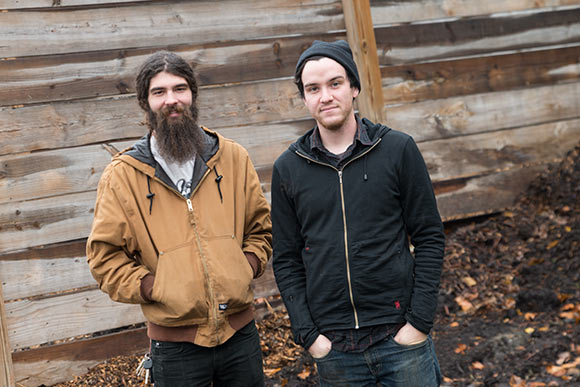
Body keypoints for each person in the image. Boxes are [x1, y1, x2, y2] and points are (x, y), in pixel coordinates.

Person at [87, 51, 272, 387]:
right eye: (159, 92)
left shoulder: (232, 157)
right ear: (145, 103)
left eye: (180, 89)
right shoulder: (123, 176)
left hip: (240, 335)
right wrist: (155, 287)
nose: (171, 100)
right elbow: (105, 257)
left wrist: (244, 266)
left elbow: (260, 228)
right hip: (175, 347)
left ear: (193, 95)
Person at [271, 40, 445, 386]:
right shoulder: (289, 168)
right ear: (304, 98)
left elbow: (429, 236)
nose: (326, 96)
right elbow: (286, 258)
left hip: (400, 338)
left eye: (335, 84)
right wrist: (310, 337)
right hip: (334, 349)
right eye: (313, 89)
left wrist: (419, 323)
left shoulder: (396, 150)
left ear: (354, 87)